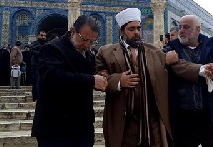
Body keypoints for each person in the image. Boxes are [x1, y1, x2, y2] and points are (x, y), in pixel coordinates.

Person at [95, 8, 201, 147]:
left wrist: (202, 70)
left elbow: (179, 65)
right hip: (124, 122)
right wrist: (118, 81)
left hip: (152, 122)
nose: (137, 32)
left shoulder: (154, 51)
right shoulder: (106, 52)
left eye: (139, 28)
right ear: (121, 30)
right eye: (131, 29)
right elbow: (100, 79)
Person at [31, 15, 108, 147]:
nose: (87, 45)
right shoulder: (52, 49)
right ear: (73, 31)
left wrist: (100, 76)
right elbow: (53, 78)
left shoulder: (87, 55)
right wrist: (91, 80)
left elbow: (87, 78)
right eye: (84, 39)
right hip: (55, 128)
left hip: (82, 128)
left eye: (92, 42)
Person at [164, 15, 213, 147]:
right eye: (180, 27)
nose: (181, 31)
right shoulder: (171, 49)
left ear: (197, 30)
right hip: (183, 119)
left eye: (186, 27)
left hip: (211, 116)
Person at [31, 30, 47, 101]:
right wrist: (41, 53)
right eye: (41, 35)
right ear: (38, 36)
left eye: (44, 36)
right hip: (36, 64)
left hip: (44, 65)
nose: (43, 37)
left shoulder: (46, 44)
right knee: (36, 81)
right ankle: (36, 97)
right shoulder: (35, 43)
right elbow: (32, 51)